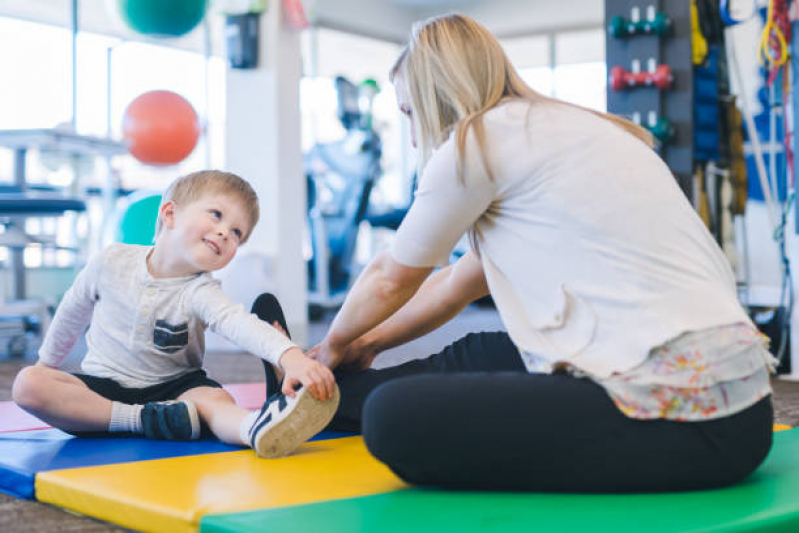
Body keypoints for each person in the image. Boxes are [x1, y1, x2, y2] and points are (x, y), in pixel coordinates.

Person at [308, 13, 777, 492]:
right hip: (746, 405)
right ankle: (315, 398)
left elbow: (391, 277)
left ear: (435, 95)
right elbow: (454, 285)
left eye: (410, 113)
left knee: (395, 418)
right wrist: (362, 346)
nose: (412, 136)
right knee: (483, 349)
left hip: (689, 421)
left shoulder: (475, 144)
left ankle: (321, 390)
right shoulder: (574, 128)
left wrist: (331, 345)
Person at [12, 170, 338, 458]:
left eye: (237, 232)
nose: (226, 232)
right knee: (29, 384)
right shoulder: (110, 261)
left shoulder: (201, 290)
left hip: (176, 391)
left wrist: (290, 357)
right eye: (216, 215)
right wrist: (48, 365)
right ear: (170, 213)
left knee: (215, 399)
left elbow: (239, 324)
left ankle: (257, 428)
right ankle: (139, 420)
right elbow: (72, 313)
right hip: (103, 391)